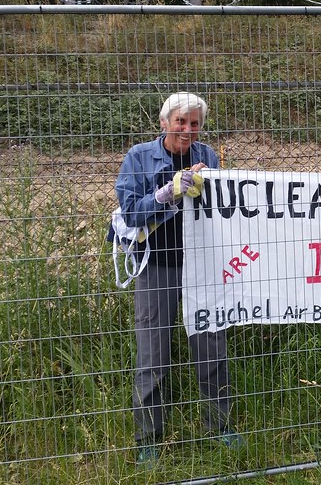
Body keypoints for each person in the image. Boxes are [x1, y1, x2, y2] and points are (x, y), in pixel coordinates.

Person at [115, 92, 245, 466]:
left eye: (194, 123)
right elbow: (130, 212)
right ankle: (148, 438)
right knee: (153, 353)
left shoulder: (209, 156)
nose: (187, 130)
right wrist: (167, 192)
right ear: (164, 122)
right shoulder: (139, 158)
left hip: (201, 268)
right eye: (180, 122)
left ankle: (219, 426)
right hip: (157, 267)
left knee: (211, 346)